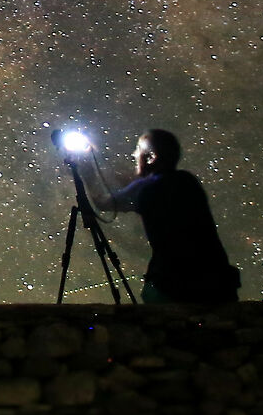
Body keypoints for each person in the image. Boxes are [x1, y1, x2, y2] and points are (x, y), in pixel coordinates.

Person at [92, 129, 240, 303]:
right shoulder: (187, 181)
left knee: (151, 296)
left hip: (174, 284)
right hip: (217, 281)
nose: (134, 154)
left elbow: (102, 202)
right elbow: (130, 188)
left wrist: (87, 170)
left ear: (151, 157)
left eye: (138, 149)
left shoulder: (147, 188)